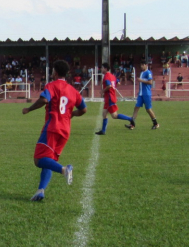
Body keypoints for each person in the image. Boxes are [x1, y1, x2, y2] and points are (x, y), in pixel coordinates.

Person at [22, 60, 86, 202]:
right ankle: (40, 190)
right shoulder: (73, 90)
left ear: (55, 72)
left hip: (52, 127)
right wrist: (71, 114)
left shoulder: (52, 86)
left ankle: (64, 169)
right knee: (48, 160)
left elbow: (44, 100)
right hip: (65, 130)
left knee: (39, 159)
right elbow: (84, 109)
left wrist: (29, 109)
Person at [95, 63, 135, 135]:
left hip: (110, 98)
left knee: (114, 116)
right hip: (109, 98)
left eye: (102, 68)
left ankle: (131, 119)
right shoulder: (112, 76)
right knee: (104, 113)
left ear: (106, 69)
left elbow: (109, 86)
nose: (101, 69)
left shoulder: (106, 76)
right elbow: (118, 83)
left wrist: (103, 91)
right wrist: (113, 89)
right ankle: (103, 131)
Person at [127, 62, 159, 130]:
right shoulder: (142, 73)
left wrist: (141, 80)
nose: (141, 66)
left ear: (146, 65)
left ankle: (156, 123)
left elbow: (150, 82)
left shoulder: (148, 72)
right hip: (141, 94)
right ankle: (132, 124)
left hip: (146, 94)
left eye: (142, 65)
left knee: (148, 109)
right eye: (140, 65)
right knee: (136, 107)